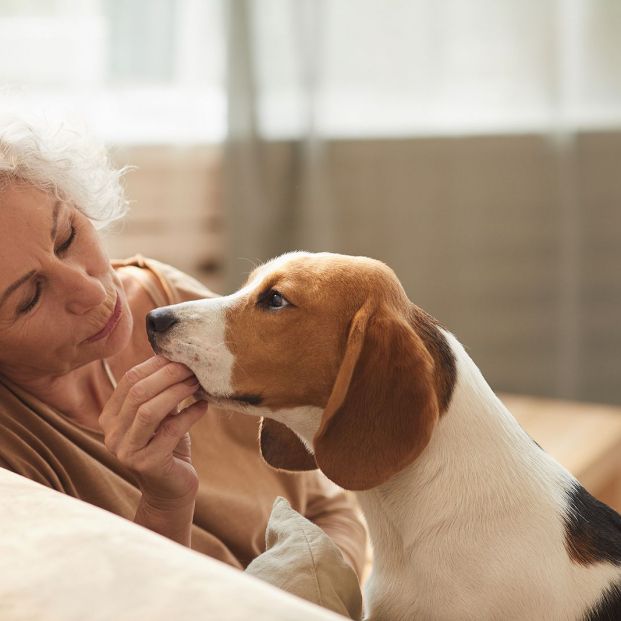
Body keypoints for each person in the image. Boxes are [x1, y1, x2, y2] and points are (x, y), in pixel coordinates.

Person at [0, 119, 367, 577]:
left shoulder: (165, 299)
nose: (92, 292)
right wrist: (163, 504)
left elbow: (327, 503)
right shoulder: (13, 461)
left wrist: (318, 596)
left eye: (67, 237)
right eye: (30, 299)